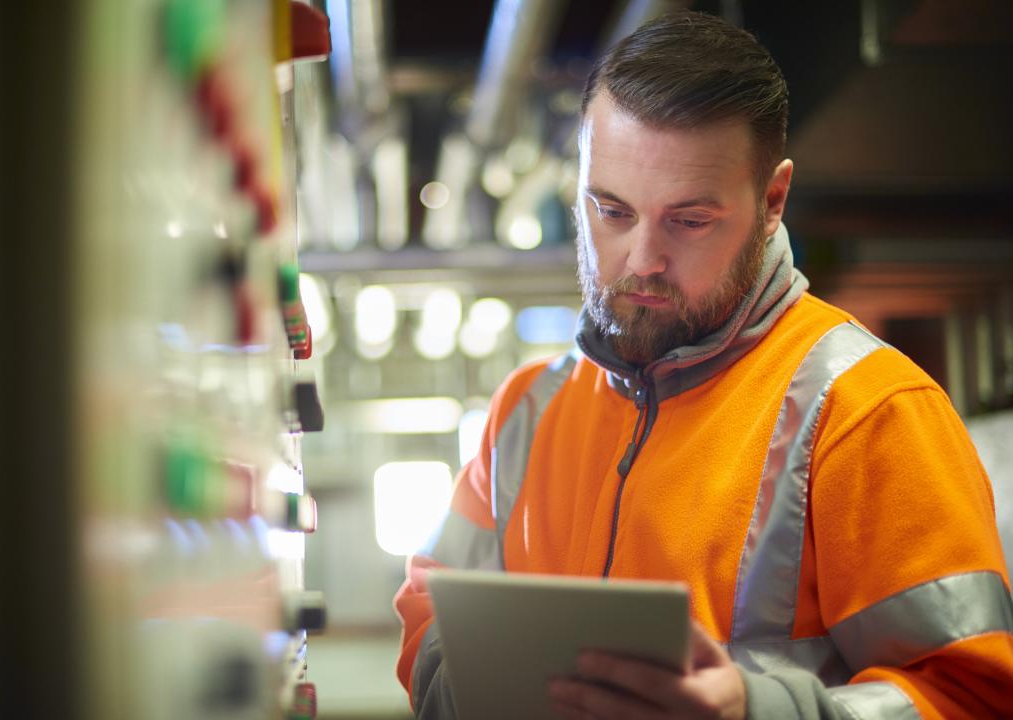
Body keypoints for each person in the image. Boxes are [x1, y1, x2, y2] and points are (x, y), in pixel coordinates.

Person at [393, 11, 1013, 719]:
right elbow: (430, 600)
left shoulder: (868, 411)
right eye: (611, 210)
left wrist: (757, 711)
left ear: (771, 201)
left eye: (688, 221)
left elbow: (972, 698)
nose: (641, 260)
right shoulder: (525, 410)